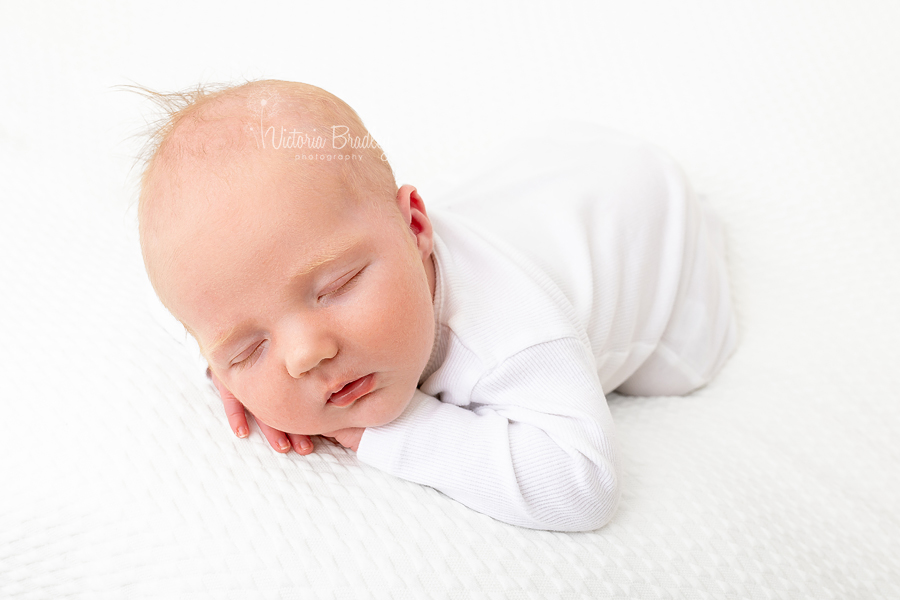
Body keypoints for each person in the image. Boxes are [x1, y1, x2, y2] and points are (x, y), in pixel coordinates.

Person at [137, 79, 737, 531]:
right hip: (550, 174)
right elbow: (190, 306)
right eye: (251, 344)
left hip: (657, 225)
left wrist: (386, 433)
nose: (303, 354)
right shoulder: (262, 278)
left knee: (680, 369)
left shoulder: (512, 335)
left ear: (414, 224)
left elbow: (586, 484)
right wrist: (229, 371)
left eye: (337, 286)